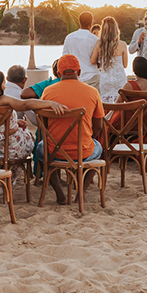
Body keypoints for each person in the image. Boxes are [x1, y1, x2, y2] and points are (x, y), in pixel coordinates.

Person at [0, 69, 65, 182]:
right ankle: (39, 175)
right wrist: (50, 103)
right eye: (3, 83)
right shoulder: (3, 100)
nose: (5, 86)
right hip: (10, 151)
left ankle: (3, 178)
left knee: (25, 135)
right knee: (36, 142)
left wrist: (15, 123)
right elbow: (25, 104)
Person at [39, 55, 105, 205]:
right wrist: (88, 137)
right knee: (99, 149)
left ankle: (60, 196)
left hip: (54, 152)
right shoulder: (92, 92)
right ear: (79, 72)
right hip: (84, 152)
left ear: (59, 73)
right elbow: (98, 126)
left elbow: (44, 126)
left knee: (41, 150)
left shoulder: (48, 92)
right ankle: (80, 194)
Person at [90, 16, 129, 103]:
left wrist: (101, 60)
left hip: (106, 79)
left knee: (106, 104)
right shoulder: (122, 44)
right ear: (116, 29)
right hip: (120, 79)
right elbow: (125, 65)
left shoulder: (99, 44)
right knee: (120, 104)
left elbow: (92, 61)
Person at [61, 11, 101, 89]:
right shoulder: (95, 39)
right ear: (91, 22)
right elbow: (100, 61)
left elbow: (64, 58)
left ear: (79, 22)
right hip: (92, 77)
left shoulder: (69, 37)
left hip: (75, 78)